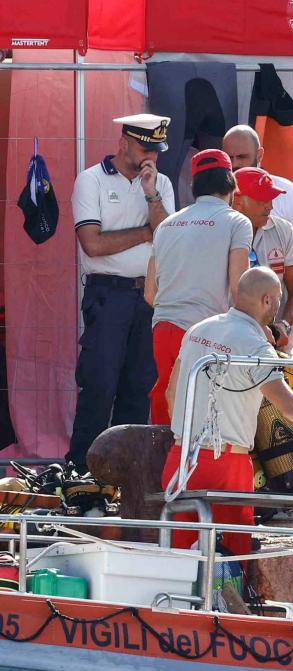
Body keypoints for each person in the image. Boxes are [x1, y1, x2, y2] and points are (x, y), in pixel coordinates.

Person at [161, 267, 293, 557]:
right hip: (226, 464)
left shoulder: (198, 330)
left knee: (177, 565)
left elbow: (171, 393)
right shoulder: (255, 345)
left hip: (181, 458)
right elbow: (292, 408)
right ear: (267, 300)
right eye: (278, 299)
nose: (279, 306)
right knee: (233, 567)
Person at [67, 114, 176, 467]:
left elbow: (168, 238)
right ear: (124, 142)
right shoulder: (91, 180)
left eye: (157, 151)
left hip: (149, 296)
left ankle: (126, 478)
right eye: (145, 148)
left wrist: (151, 195)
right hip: (108, 295)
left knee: (138, 390)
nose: (151, 157)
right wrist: (145, 232)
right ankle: (81, 473)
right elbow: (93, 245)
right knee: (99, 386)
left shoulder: (161, 185)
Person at [145, 150, 251, 426]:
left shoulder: (167, 225)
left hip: (163, 329)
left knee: (167, 408)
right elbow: (242, 291)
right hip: (207, 332)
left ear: (195, 184)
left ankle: (164, 467)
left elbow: (149, 294)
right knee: (205, 415)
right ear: (231, 181)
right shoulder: (236, 222)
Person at [222, 125, 293, 296]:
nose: (234, 164)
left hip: (274, 312)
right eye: (229, 158)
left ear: (259, 155)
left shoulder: (286, 192)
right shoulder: (217, 194)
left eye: (242, 157)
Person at [232, 167, 293, 336]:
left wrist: (283, 326)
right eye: (262, 200)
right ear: (237, 201)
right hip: (232, 342)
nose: (270, 206)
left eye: (271, 198)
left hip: (278, 344)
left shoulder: (284, 230)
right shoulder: (219, 232)